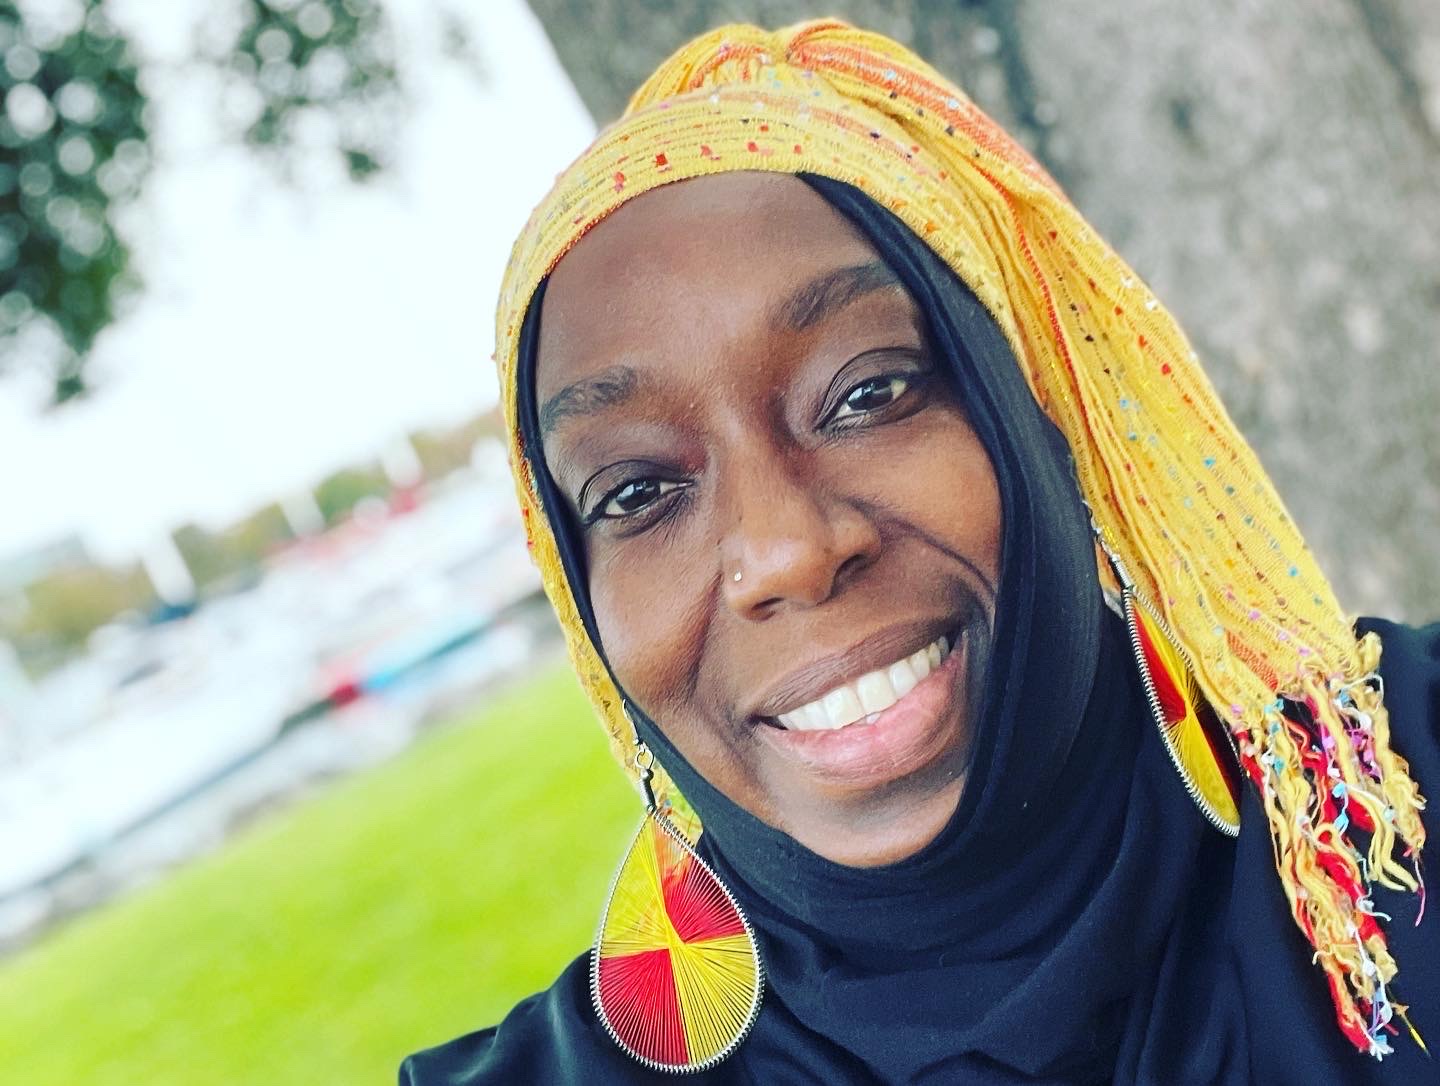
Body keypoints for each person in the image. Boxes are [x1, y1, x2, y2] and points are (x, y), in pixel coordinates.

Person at [400, 20, 1438, 1084]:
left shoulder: (1399, 810)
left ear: (1037, 406)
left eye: (867, 393)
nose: (788, 553)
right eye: (638, 491)